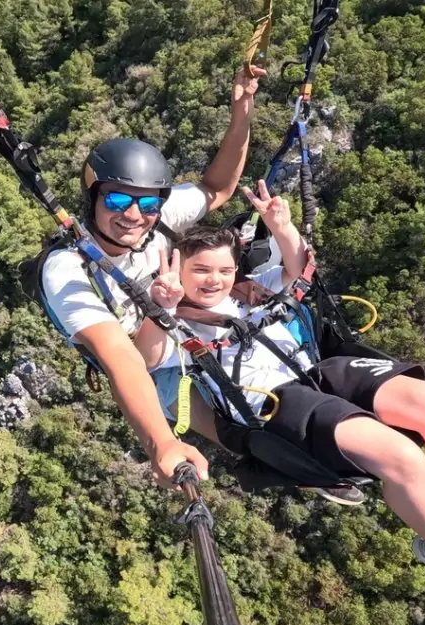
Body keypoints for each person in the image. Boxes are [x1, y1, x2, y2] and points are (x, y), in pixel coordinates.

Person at [133, 181, 425, 611]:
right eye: (200, 271)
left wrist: (281, 226)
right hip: (271, 401)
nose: (214, 280)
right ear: (177, 270)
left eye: (224, 269)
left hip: (316, 369)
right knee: (403, 458)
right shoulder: (176, 321)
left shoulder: (251, 291)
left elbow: (298, 272)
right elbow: (147, 361)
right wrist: (163, 307)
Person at [40, 66, 363, 504]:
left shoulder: (157, 224)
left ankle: (336, 427)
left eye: (147, 202)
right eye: (117, 199)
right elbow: (121, 358)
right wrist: (160, 443)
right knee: (237, 424)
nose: (133, 214)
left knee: (267, 359)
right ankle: (294, 463)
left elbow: (217, 187)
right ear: (92, 197)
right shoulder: (69, 268)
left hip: (185, 319)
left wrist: (241, 111)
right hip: (150, 357)